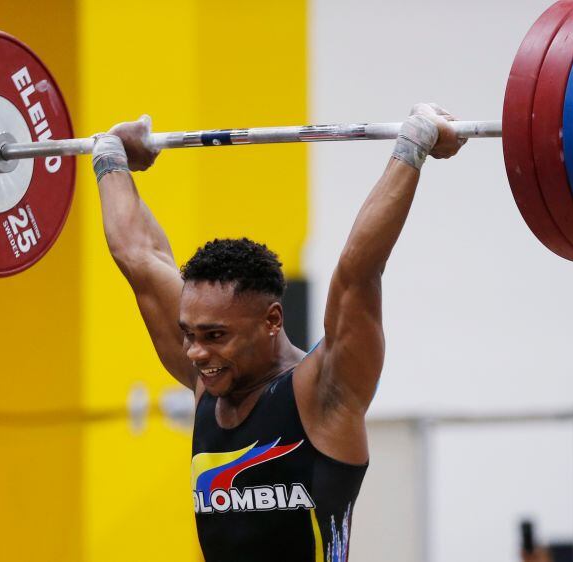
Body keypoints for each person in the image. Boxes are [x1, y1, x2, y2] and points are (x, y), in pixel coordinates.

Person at [92, 103, 464, 562]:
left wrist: (415, 144)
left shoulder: (325, 391)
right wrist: (111, 157)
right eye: (189, 334)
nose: (195, 352)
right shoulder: (207, 382)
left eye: (214, 336)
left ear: (272, 320)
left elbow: (359, 269)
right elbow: (138, 256)